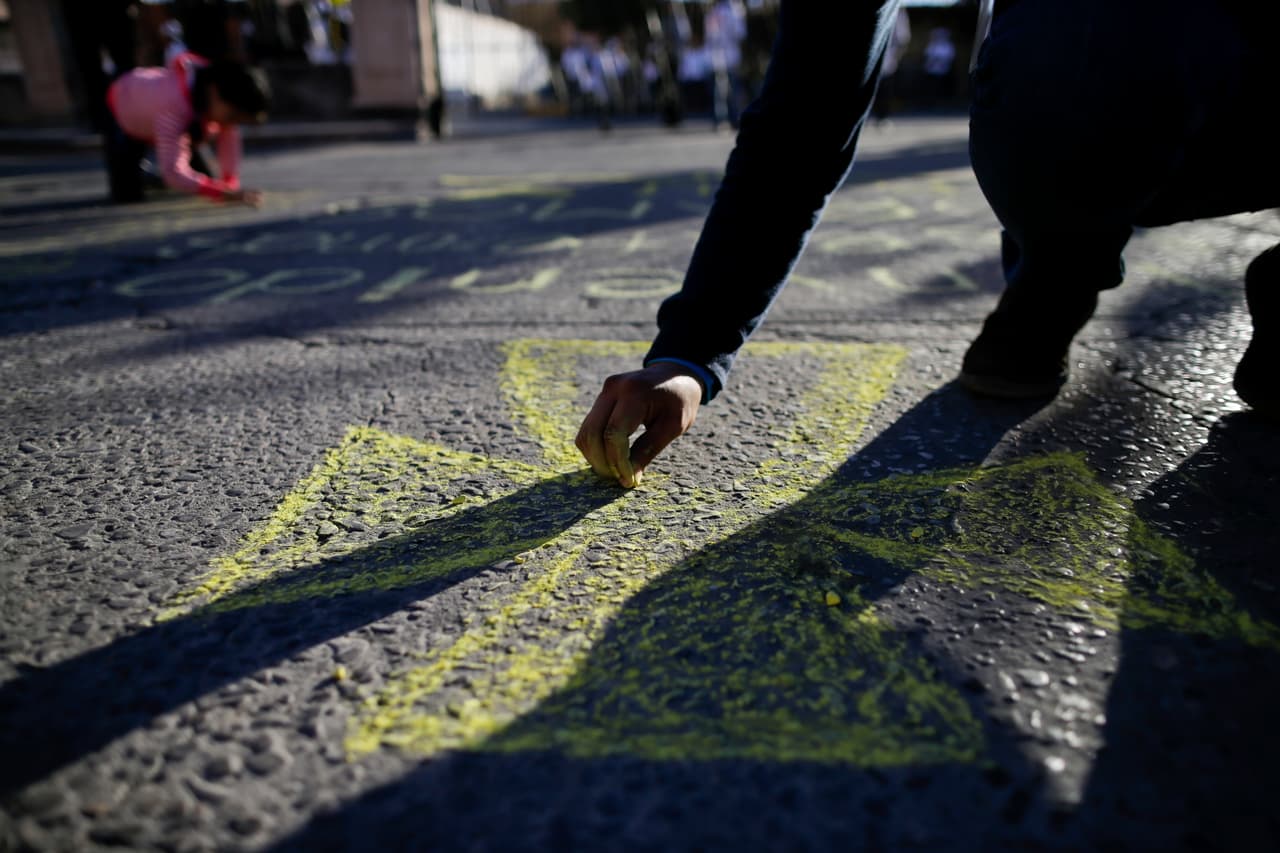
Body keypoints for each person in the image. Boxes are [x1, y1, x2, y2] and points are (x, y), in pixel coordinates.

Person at [576, 0, 1279, 489]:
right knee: (1081, 67)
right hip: (1123, 77)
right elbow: (804, 116)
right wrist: (690, 352)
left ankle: (1057, 266)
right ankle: (1051, 279)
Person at [104, 51, 270, 205]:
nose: (232, 124)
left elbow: (229, 137)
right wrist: (222, 193)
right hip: (122, 111)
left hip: (176, 121)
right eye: (232, 116)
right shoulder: (173, 105)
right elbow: (173, 173)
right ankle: (145, 176)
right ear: (214, 92)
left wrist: (229, 185)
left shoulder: (211, 90)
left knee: (206, 181)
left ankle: (150, 176)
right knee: (127, 194)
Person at [871, 6, 911, 124]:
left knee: (883, 89)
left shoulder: (898, 12)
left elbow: (902, 38)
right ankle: (880, 116)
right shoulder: (897, 11)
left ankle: (882, 116)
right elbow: (903, 38)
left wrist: (896, 56)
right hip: (884, 58)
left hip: (887, 59)